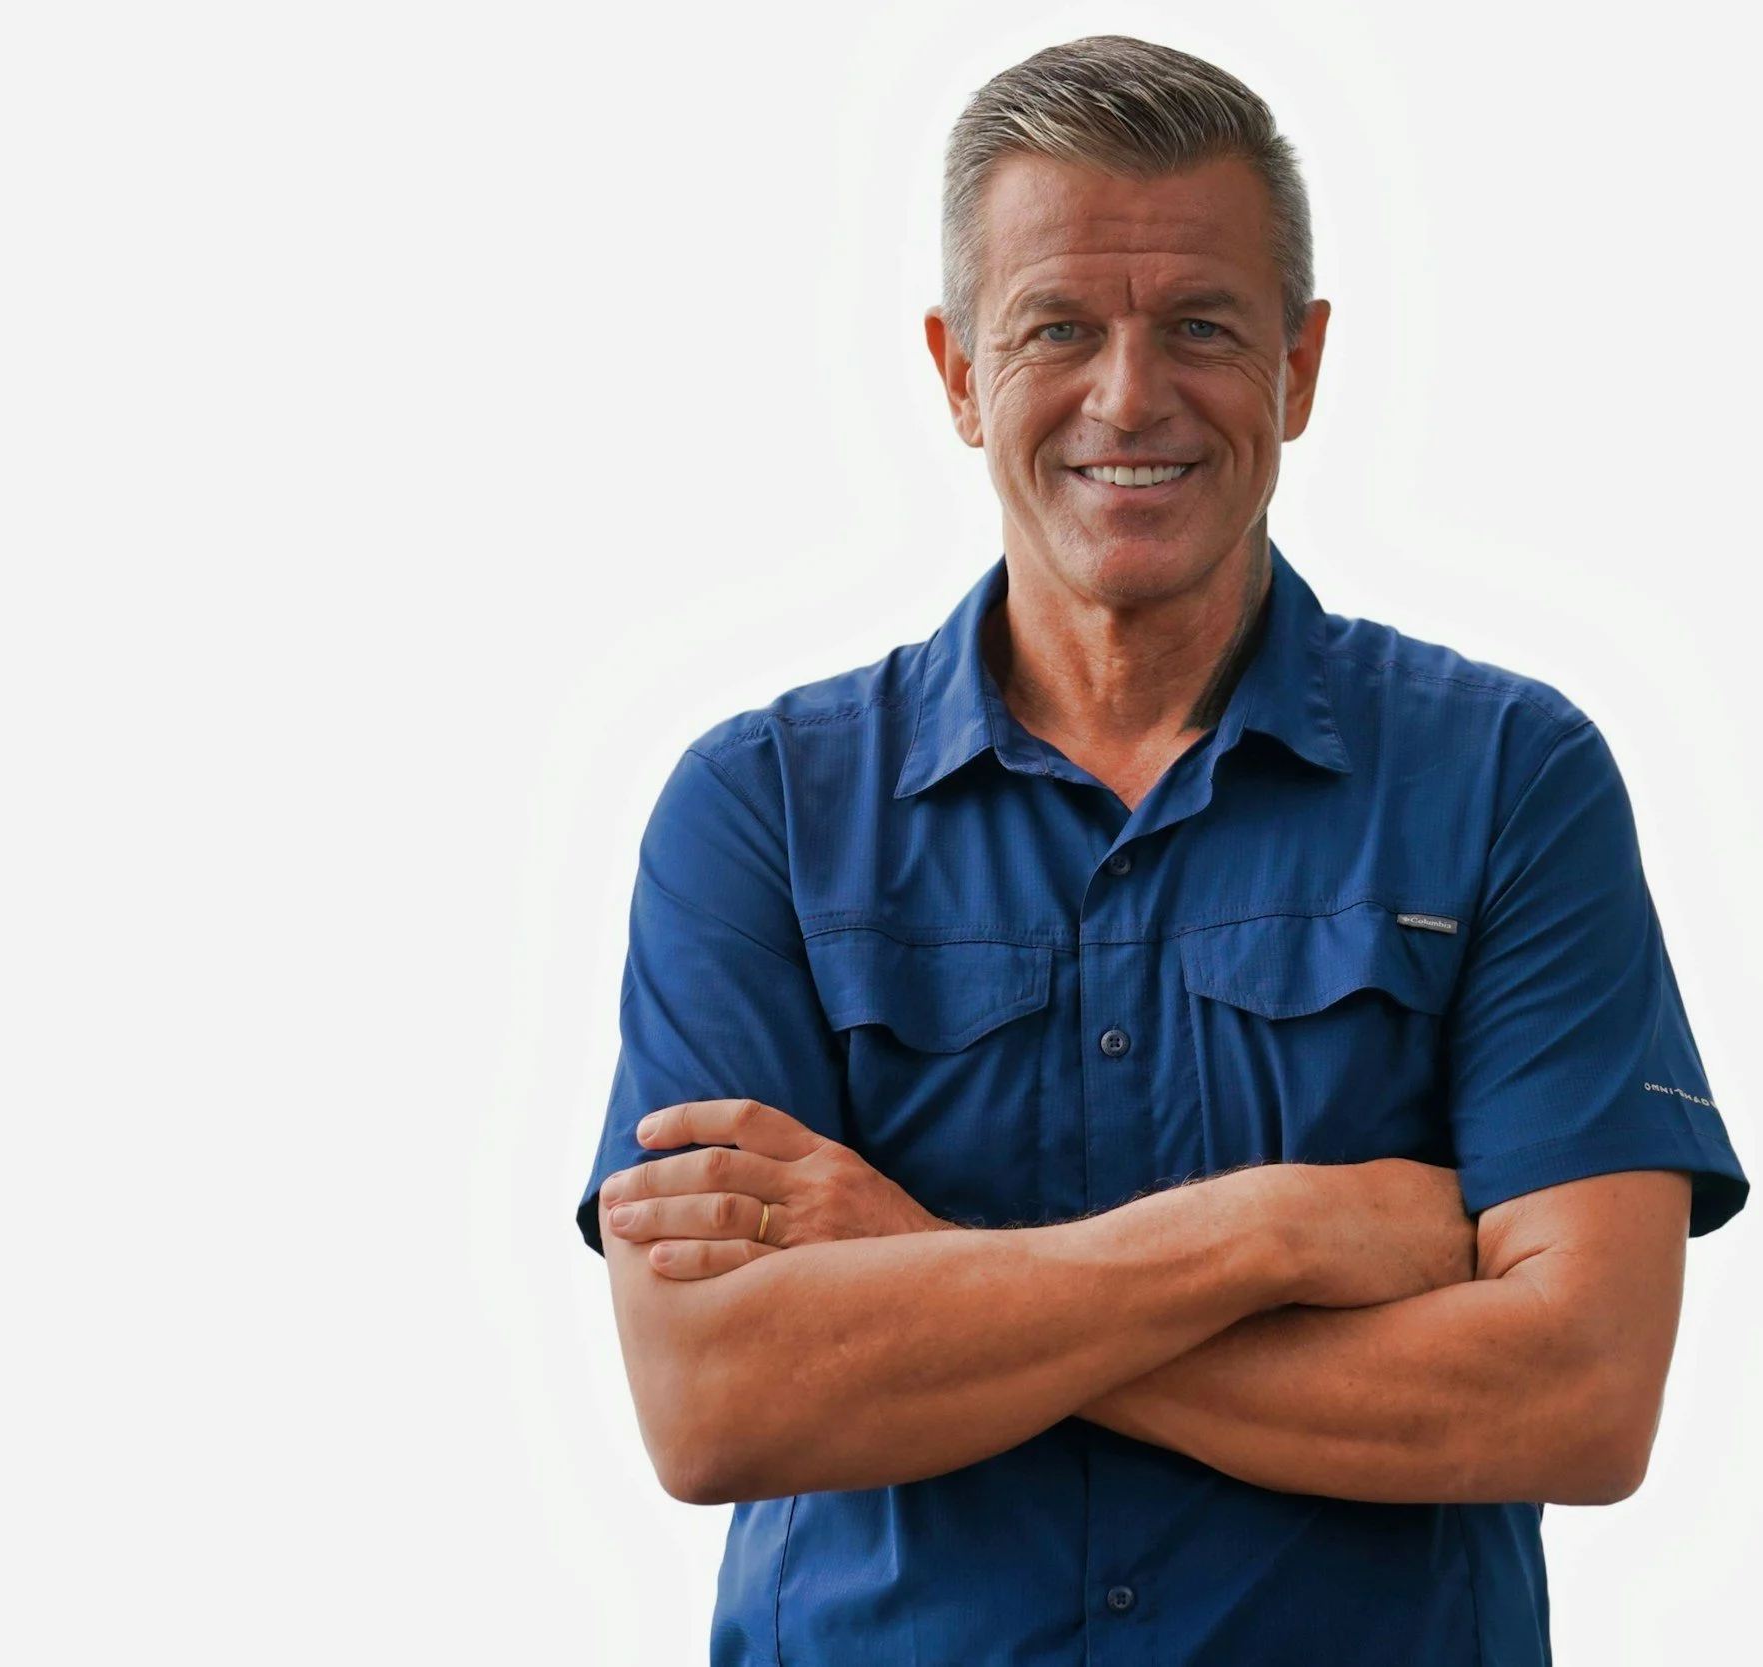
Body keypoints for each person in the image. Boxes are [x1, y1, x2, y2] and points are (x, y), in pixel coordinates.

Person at [574, 34, 1746, 1666]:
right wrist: (1274, 1233)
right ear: (959, 371)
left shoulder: (1507, 779)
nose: (1131, 397)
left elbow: (1579, 1395)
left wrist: (919, 1271)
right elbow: (721, 1401)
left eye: (1200, 326)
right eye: (1060, 327)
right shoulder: (758, 812)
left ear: (1302, 365)